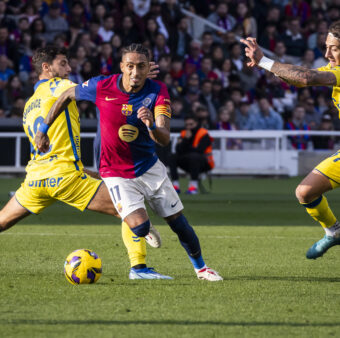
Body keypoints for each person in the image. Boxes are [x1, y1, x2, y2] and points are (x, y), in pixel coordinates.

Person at [36, 43, 222, 281]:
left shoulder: (157, 91)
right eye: (131, 66)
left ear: (149, 68)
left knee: (179, 223)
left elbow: (164, 139)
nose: (135, 72)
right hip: (114, 172)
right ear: (122, 67)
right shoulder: (101, 86)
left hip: (149, 167)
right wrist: (43, 130)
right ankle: (143, 234)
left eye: (141, 66)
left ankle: (201, 269)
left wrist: (151, 125)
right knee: (140, 227)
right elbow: (65, 95)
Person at [0, 46, 163, 279]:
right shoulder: (60, 86)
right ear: (46, 68)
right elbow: (104, 87)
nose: (69, 69)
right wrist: (133, 75)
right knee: (128, 204)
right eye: (63, 63)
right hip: (64, 178)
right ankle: (139, 268)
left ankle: (139, 240)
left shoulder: (30, 104)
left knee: (2, 222)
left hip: (35, 180)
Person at [241, 20, 340, 260]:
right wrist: (266, 66)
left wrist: (265, 61)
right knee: (305, 192)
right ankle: (334, 232)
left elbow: (306, 78)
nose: (326, 53)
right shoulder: (332, 70)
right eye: (326, 47)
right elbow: (302, 77)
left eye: (334, 48)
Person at [170, 115, 214, 195]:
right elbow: (178, 150)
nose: (189, 127)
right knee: (172, 156)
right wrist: (186, 140)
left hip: (204, 163)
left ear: (196, 123)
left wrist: (185, 147)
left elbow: (200, 150)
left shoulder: (204, 134)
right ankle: (175, 185)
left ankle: (193, 186)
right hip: (189, 160)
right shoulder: (184, 133)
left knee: (194, 156)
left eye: (191, 124)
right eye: (187, 125)